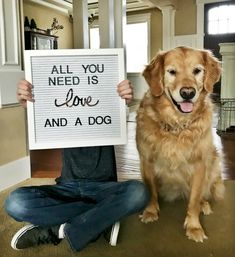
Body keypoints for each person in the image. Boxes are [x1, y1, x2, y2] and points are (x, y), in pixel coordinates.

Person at [4, 79, 149, 252]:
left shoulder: (107, 111)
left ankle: (56, 230)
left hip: (103, 188)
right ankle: (101, 221)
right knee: (16, 203)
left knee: (139, 193)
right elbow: (44, 121)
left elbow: (118, 106)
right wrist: (31, 104)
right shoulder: (63, 113)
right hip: (67, 188)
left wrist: (122, 100)